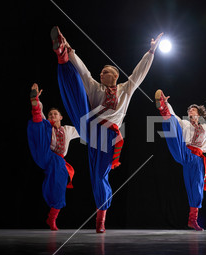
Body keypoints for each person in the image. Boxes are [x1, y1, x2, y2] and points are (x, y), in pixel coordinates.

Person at [51, 26, 163, 233]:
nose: (101, 74)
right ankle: (62, 54)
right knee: (78, 85)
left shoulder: (125, 89)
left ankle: (101, 218)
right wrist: (71, 49)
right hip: (90, 127)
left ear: (115, 75)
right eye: (101, 72)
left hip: (107, 138)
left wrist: (151, 52)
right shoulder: (95, 87)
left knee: (99, 177)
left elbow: (139, 74)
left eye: (105, 72)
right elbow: (84, 71)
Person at [155, 89, 206, 231]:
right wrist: (166, 103)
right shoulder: (184, 123)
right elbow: (174, 117)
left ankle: (193, 220)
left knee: (195, 188)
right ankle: (162, 108)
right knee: (172, 120)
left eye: (193, 109)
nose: (190, 110)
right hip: (185, 152)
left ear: (199, 114)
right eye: (189, 109)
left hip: (198, 160)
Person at [27, 83, 79, 231]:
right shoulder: (47, 124)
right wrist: (36, 99)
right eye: (50, 114)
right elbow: (42, 117)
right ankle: (34, 103)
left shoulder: (68, 129)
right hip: (44, 153)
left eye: (55, 114)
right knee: (40, 123)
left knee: (59, 188)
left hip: (58, 162)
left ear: (61, 117)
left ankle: (52, 218)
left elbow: (84, 131)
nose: (52, 116)